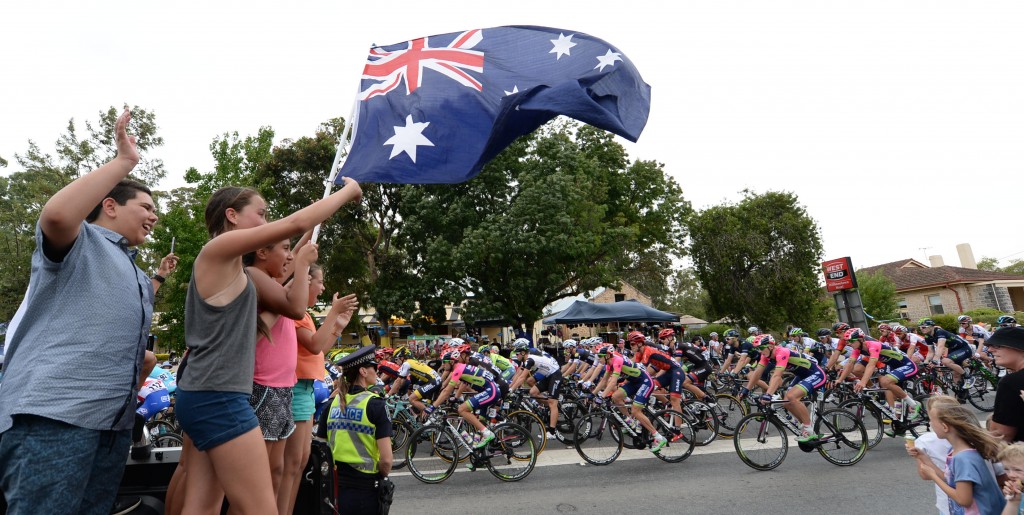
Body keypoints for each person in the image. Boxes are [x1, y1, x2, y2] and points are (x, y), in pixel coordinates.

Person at [0, 108, 172, 514]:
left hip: (109, 427)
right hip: (54, 418)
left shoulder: (129, 266)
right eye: (145, 206)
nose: (154, 215)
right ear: (108, 205)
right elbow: (57, 215)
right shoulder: (81, 243)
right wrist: (124, 161)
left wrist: (159, 280)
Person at [174, 178, 362, 514]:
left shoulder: (233, 268)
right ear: (232, 215)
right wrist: (348, 192)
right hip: (218, 395)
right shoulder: (216, 252)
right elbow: (294, 223)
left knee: (202, 506)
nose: (266, 223)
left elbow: (285, 269)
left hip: (206, 392)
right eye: (260, 215)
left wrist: (301, 251)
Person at [281, 263, 358, 515]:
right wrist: (334, 314)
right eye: (320, 281)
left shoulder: (305, 315)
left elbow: (318, 351)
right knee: (291, 466)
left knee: (298, 464)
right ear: (305, 282)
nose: (323, 287)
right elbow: (314, 347)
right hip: (295, 390)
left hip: (305, 390)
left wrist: (337, 325)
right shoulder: (295, 313)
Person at [319, 345, 393, 515]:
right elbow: (386, 461)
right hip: (365, 489)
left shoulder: (332, 405)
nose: (377, 370)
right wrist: (381, 475)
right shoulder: (376, 405)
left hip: (335, 488)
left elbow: (322, 448)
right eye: (374, 367)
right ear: (363, 371)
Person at [909, 396, 1005, 514]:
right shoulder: (958, 450)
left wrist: (933, 477)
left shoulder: (963, 458)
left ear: (944, 427)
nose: (930, 424)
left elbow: (964, 500)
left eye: (931, 420)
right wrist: (924, 458)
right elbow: (950, 479)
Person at [742, 334, 827, 443]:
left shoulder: (782, 352)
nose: (760, 351)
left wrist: (768, 394)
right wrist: (746, 389)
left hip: (816, 373)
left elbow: (777, 376)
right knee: (786, 402)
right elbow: (757, 373)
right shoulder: (765, 355)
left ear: (770, 346)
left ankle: (808, 428)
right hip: (801, 375)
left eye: (761, 348)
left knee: (792, 397)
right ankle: (806, 426)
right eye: (758, 349)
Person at [987, 326, 1024, 442]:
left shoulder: (1011, 382)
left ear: (1019, 347)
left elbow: (1001, 435)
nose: (990, 350)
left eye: (997, 345)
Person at [999, 442, 1024, 514]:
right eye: (1006, 469)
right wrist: (1013, 502)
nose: (1010, 475)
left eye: (1018, 470)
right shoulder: (1018, 492)